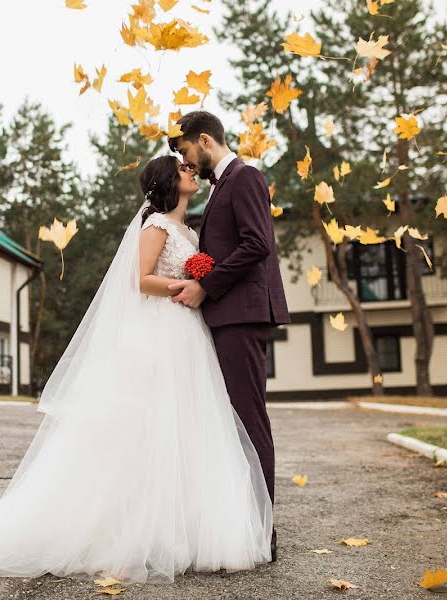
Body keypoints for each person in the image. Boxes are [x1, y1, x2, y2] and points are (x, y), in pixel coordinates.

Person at [0, 155, 274, 584]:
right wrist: (184, 284)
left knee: (182, 429)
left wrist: (200, 278)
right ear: (167, 181)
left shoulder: (186, 229)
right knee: (146, 431)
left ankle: (182, 532)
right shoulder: (156, 226)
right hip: (162, 331)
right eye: (183, 170)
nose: (191, 172)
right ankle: (130, 536)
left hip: (186, 333)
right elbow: (139, 279)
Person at [167, 111, 291, 562]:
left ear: (204, 139)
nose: (185, 160)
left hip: (241, 315)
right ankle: (244, 527)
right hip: (228, 316)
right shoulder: (224, 186)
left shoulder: (245, 177)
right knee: (233, 423)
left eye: (184, 151)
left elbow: (258, 244)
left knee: (249, 421)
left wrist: (207, 283)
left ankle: (263, 533)